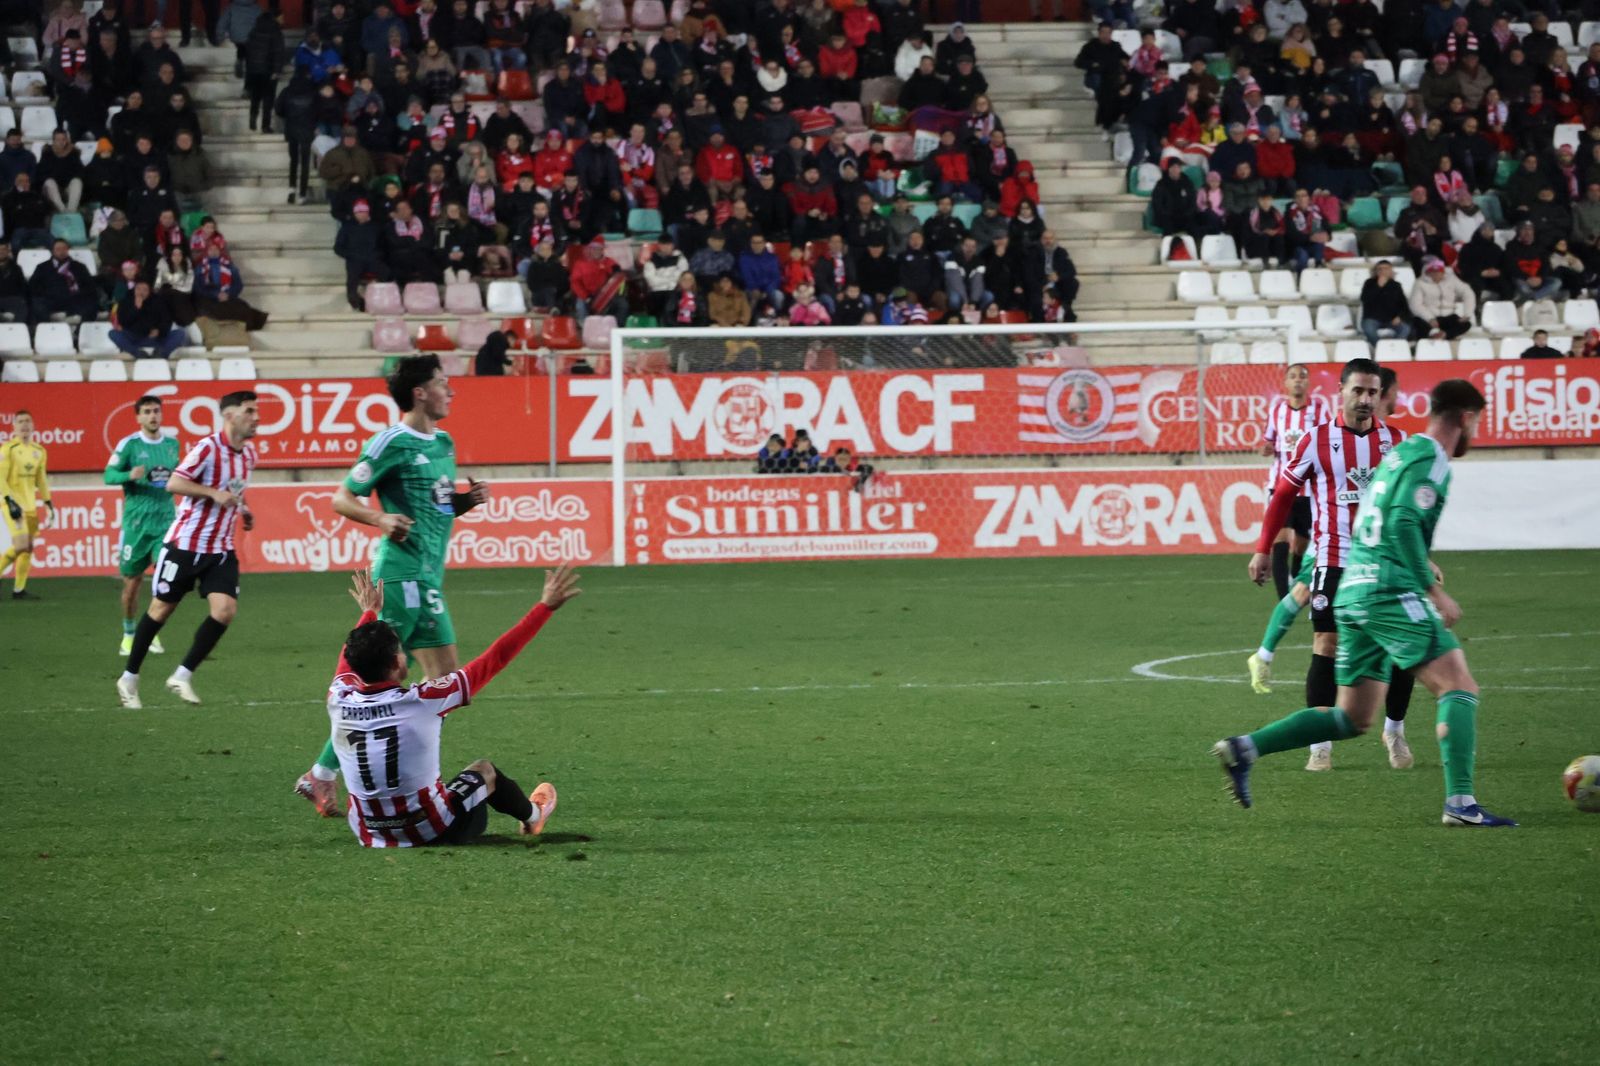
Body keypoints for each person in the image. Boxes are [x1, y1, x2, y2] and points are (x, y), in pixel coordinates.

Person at [1217, 379, 1517, 828]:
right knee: (1458, 685)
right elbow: (1402, 521)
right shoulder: (1431, 458)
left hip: (1354, 587)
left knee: (1352, 716)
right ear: (1467, 417)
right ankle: (1461, 803)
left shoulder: (1399, 452)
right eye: (1478, 422)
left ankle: (1246, 748)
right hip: (1388, 588)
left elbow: (1369, 520)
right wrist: (1431, 589)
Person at [293, 355, 492, 816]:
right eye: (443, 383)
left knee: (445, 681)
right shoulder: (390, 442)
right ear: (420, 393)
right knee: (373, 684)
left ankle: (366, 768)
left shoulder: (444, 442)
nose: (451, 391)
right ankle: (324, 774)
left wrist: (465, 502)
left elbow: (437, 506)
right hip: (399, 573)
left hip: (428, 577)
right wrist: (379, 518)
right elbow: (342, 498)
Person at [325, 565, 577, 847]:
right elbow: (496, 658)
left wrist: (370, 612)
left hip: (371, 834)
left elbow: (347, 659)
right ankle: (534, 817)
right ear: (397, 662)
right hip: (433, 830)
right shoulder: (424, 699)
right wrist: (544, 608)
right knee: (484, 771)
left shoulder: (338, 697)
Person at [1243, 358, 1414, 773]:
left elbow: (1408, 509)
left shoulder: (1398, 442)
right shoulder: (1315, 440)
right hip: (1333, 559)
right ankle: (1320, 745)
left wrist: (1421, 558)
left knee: (1401, 645)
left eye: (1372, 392)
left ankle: (1394, 730)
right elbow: (1282, 495)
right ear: (1341, 391)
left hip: (1385, 562)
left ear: (1380, 395)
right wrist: (1263, 549)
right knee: (1326, 644)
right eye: (1358, 390)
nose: (1365, 399)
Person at [116, 391, 260, 709]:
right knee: (160, 610)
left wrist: (244, 509)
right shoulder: (208, 448)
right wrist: (213, 493)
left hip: (220, 549)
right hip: (185, 546)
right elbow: (174, 483)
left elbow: (235, 490)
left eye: (256, 411)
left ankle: (181, 676)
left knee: (225, 611)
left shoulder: (249, 455)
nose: (256, 417)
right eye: (249, 411)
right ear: (230, 415)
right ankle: (129, 677)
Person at [104, 395, 181, 654]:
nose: (152, 416)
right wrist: (129, 474)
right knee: (132, 584)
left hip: (165, 524)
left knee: (164, 581)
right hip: (136, 526)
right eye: (147, 412)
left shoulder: (172, 445)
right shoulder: (129, 445)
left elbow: (179, 476)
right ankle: (129, 634)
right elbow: (108, 475)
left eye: (156, 411)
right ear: (138, 417)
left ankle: (150, 633)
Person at [0, 411, 53, 600]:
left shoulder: (39, 451)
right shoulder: (8, 449)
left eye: (28, 421)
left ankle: (19, 589)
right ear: (13, 427)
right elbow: (0, 477)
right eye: (20, 421)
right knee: (21, 544)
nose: (24, 425)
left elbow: (41, 480)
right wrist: (9, 501)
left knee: (28, 547)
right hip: (12, 504)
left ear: (33, 426)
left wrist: (48, 503)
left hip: (30, 506)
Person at [112, 280, 186, 358]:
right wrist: (136, 308)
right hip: (134, 337)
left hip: (156, 338)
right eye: (138, 289)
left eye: (145, 290)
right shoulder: (126, 301)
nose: (141, 292)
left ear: (149, 291)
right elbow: (123, 321)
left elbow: (166, 321)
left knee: (180, 334)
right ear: (134, 290)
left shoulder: (158, 301)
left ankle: (160, 354)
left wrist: (159, 330)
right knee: (113, 334)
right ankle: (137, 354)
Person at [1359, 259, 1410, 348]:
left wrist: (1399, 317)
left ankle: (1394, 347)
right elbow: (1364, 299)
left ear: (1390, 271)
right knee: (1368, 328)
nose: (1382, 271)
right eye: (1380, 269)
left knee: (1405, 329)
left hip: (1391, 319)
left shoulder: (1396, 285)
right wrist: (1378, 286)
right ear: (1376, 271)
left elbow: (1403, 305)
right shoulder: (1369, 283)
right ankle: (1380, 348)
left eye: (1386, 269)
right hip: (1373, 318)